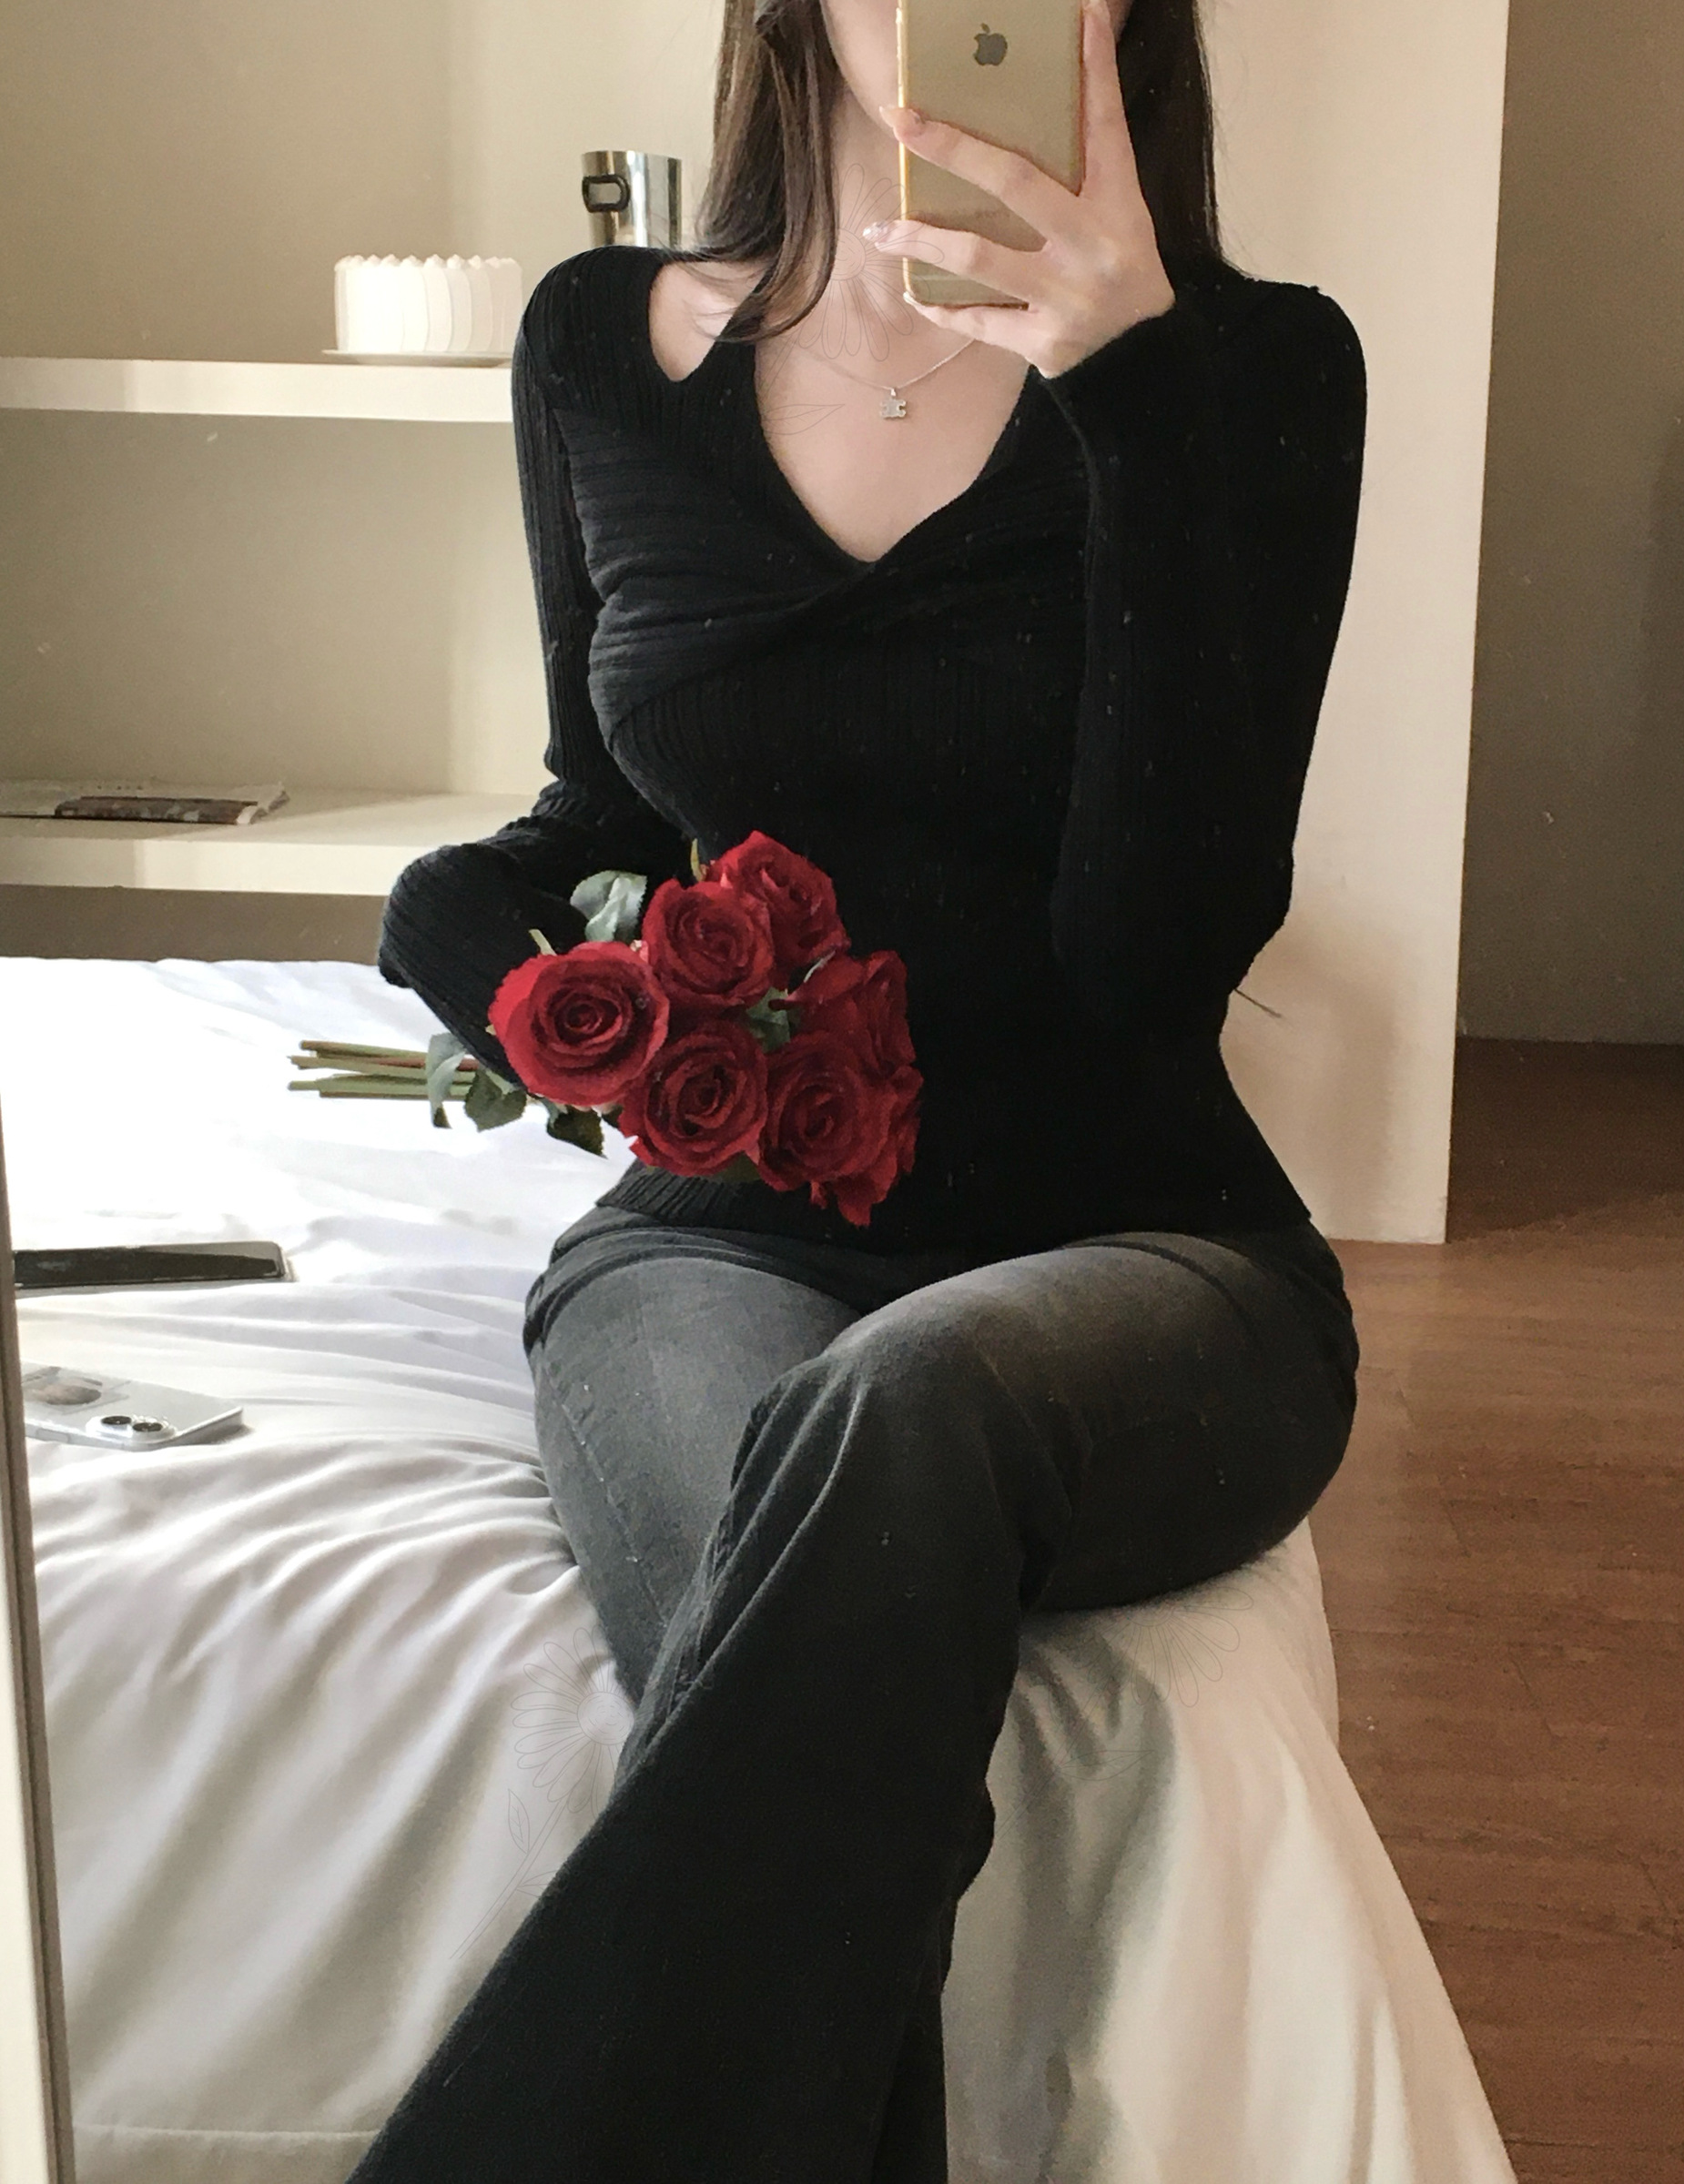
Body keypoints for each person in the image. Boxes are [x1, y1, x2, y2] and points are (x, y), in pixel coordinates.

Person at [353, 0, 1368, 2174]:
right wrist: (479, 947)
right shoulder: (598, 342)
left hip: (1149, 1247)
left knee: (894, 1411)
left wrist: (1128, 391)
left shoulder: (1256, 369)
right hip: (709, 1251)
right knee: (804, 1670)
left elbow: (1158, 960)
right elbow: (599, 814)